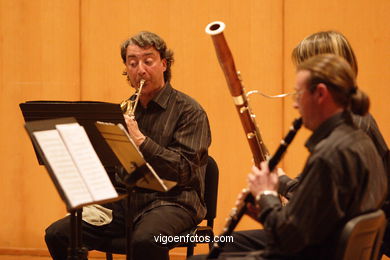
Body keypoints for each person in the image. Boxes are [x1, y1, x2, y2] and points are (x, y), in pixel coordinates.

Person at [192, 54, 387, 260]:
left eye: (298, 94)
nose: (295, 104)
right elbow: (312, 223)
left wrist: (266, 194)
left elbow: (288, 239)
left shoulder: (329, 155)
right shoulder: (360, 141)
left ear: (320, 94)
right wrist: (265, 212)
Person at [45, 31, 211, 260]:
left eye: (148, 61)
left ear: (164, 64)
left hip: (174, 201)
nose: (140, 69)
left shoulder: (190, 112)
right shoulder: (123, 110)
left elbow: (184, 170)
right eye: (132, 63)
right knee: (58, 234)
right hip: (126, 202)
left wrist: (141, 141)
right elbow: (113, 168)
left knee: (145, 240)